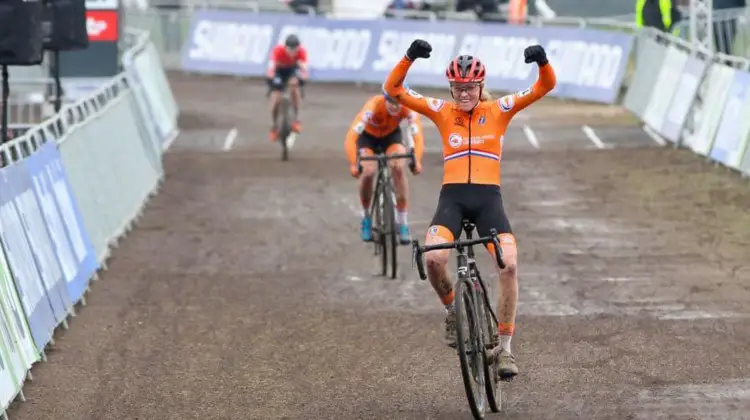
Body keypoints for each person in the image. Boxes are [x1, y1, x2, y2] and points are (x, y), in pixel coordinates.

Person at [382, 39, 556, 380]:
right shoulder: (441, 111)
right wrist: (409, 58)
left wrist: (542, 61)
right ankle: (452, 311)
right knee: (432, 259)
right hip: (453, 200)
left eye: (470, 88)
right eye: (458, 88)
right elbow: (393, 88)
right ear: (451, 88)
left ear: (480, 86)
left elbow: (546, 85)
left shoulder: (500, 110)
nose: (463, 94)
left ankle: (504, 351)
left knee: (509, 265)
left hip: (489, 202)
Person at [344, 92, 425, 244]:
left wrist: (417, 160)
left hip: (391, 137)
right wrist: (354, 163)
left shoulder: (409, 107)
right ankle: (366, 217)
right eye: (391, 102)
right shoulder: (373, 105)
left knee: (398, 167)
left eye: (398, 102)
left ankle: (403, 221)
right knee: (368, 171)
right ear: (385, 99)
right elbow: (351, 136)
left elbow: (417, 135)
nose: (395, 106)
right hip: (368, 139)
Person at [266, 34, 309, 141]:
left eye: (295, 50)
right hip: (279, 71)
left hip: (292, 70)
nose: (292, 52)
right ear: (285, 47)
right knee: (275, 97)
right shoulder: (278, 51)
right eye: (290, 49)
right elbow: (271, 69)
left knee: (295, 87)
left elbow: (305, 70)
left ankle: (296, 120)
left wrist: (301, 77)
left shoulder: (301, 52)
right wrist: (273, 80)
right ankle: (274, 126)